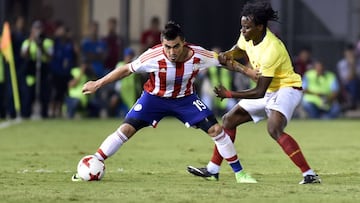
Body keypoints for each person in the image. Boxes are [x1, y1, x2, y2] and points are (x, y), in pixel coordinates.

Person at [72, 21, 257, 183]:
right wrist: (98, 83)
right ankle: (93, 162)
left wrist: (248, 72)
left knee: (216, 130)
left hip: (185, 99)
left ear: (183, 42)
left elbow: (224, 61)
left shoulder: (199, 55)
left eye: (176, 46)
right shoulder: (153, 56)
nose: (171, 52)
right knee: (125, 129)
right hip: (153, 99)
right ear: (162, 44)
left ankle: (240, 174)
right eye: (167, 47)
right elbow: (126, 69)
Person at [187, 1, 321, 184]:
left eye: (247, 27)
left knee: (274, 128)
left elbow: (259, 91)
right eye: (242, 26)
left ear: (260, 27)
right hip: (269, 89)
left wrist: (230, 95)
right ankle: (212, 169)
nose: (243, 31)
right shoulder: (248, 35)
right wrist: (226, 56)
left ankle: (309, 174)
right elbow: (238, 51)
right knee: (228, 120)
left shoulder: (272, 49)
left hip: (287, 88)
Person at [21, 20, 54, 119]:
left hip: (43, 69)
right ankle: (26, 113)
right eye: (35, 28)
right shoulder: (27, 42)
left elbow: (49, 56)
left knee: (44, 92)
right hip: (31, 68)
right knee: (29, 92)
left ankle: (44, 114)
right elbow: (24, 55)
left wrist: (41, 45)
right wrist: (31, 41)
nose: (37, 31)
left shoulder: (47, 42)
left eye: (39, 28)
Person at [336, 43, 360, 110]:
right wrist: (352, 65)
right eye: (348, 52)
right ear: (345, 53)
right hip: (346, 86)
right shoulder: (341, 64)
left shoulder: (358, 62)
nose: (350, 54)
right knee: (353, 83)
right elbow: (347, 78)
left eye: (352, 52)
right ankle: (352, 104)